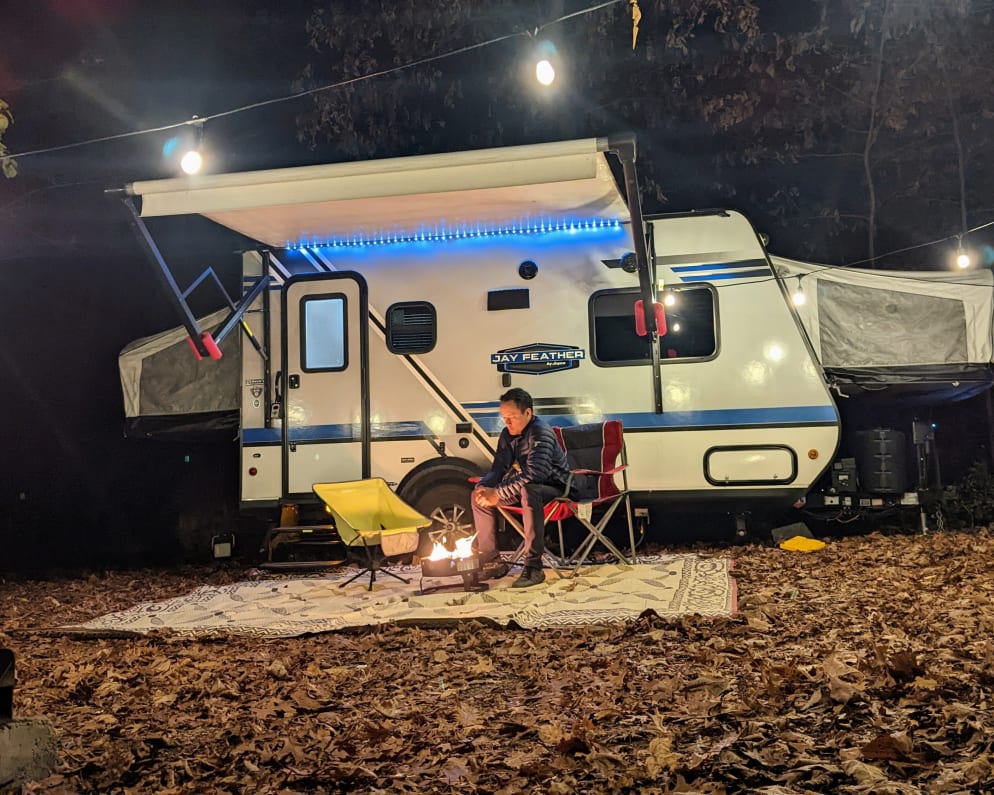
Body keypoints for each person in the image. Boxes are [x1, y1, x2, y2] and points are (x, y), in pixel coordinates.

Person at [472, 387, 582, 588]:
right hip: (529, 487)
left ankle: (533, 567)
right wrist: (485, 486)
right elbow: (498, 468)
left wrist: (498, 493)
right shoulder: (508, 434)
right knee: (477, 496)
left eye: (512, 417)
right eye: (504, 417)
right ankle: (491, 560)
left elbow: (536, 473)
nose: (507, 422)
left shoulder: (541, 432)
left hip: (558, 489)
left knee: (529, 490)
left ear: (528, 413)